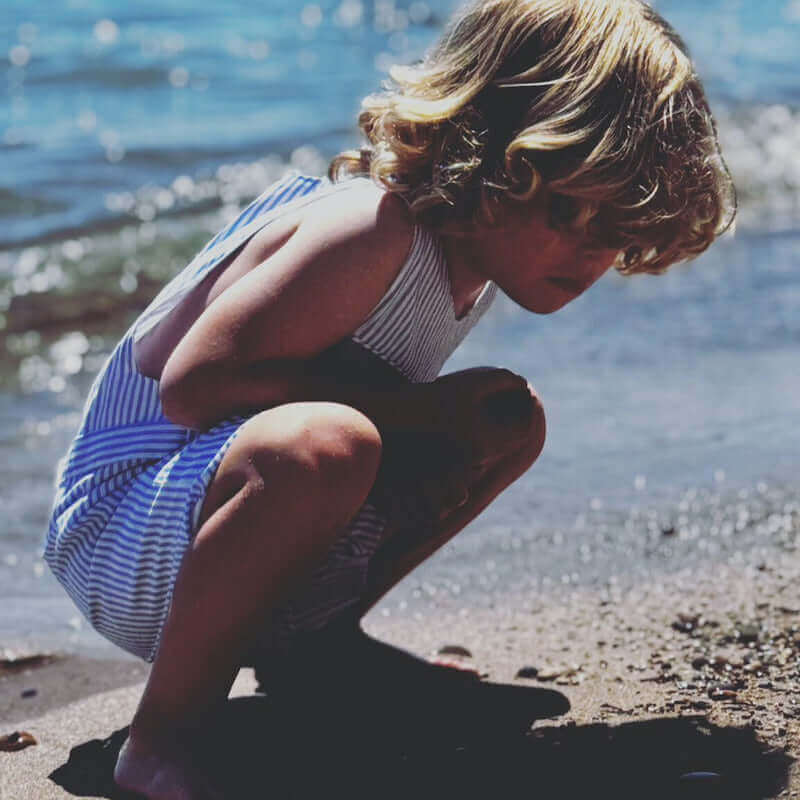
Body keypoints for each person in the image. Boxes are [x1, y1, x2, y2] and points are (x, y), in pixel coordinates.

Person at [44, 0, 735, 796]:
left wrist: (420, 427)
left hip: (216, 533)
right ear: (490, 153)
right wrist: (405, 417)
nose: (590, 250)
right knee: (330, 445)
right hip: (121, 531)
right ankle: (162, 736)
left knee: (502, 421)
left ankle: (317, 654)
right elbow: (196, 386)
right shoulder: (370, 229)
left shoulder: (466, 266)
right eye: (566, 209)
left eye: (618, 221)